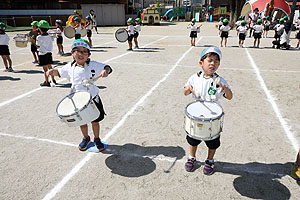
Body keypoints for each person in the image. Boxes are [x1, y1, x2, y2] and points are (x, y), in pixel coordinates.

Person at [47, 39, 113, 152]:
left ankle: (97, 138)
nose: (81, 54)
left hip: (92, 98)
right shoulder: (69, 67)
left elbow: (107, 67)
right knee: (82, 121)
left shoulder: (93, 64)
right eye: (77, 51)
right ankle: (86, 138)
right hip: (77, 99)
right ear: (72, 53)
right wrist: (53, 72)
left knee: (95, 120)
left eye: (84, 52)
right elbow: (60, 72)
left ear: (89, 55)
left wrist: (105, 71)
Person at [183, 46, 233, 174]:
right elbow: (185, 92)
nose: (213, 64)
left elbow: (230, 97)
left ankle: (210, 160)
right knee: (193, 139)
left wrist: (226, 90)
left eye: (216, 61)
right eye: (210, 60)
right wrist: (188, 89)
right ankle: (191, 157)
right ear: (201, 63)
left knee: (212, 142)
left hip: (212, 115)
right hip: (197, 113)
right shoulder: (194, 78)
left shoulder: (219, 80)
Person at [36, 20, 56, 86]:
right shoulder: (49, 36)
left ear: (39, 28)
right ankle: (53, 79)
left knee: (45, 69)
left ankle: (47, 81)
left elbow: (37, 45)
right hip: (49, 53)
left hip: (42, 53)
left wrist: (33, 41)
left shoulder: (39, 37)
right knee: (50, 66)